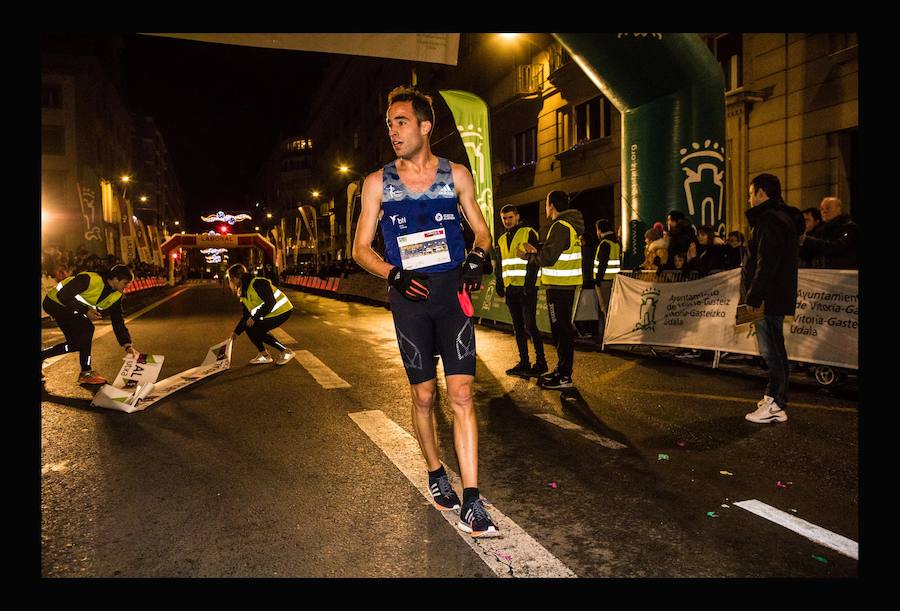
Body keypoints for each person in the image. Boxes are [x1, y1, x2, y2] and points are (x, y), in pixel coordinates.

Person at [352, 86, 499, 538]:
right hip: (408, 298)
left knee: (461, 395)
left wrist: (478, 256)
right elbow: (360, 249)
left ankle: (472, 499)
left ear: (425, 126)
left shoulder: (455, 175)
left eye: (401, 122)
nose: (393, 131)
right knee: (423, 397)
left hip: (452, 295)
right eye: (389, 125)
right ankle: (436, 472)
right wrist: (392, 274)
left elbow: (481, 230)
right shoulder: (377, 183)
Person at [741, 174, 802, 424]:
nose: (749, 197)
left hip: (768, 296)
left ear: (762, 193)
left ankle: (776, 403)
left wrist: (754, 294)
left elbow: (766, 262)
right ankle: (772, 396)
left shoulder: (770, 220)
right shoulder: (777, 218)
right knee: (773, 349)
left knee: (772, 351)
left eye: (751, 192)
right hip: (771, 295)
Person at [520, 190, 585, 390]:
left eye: (546, 203)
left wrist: (528, 257)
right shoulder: (568, 227)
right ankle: (562, 370)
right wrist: (538, 250)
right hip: (563, 287)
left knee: (561, 331)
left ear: (552, 205)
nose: (545, 208)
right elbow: (553, 252)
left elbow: (549, 258)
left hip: (559, 288)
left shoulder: (560, 226)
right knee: (561, 330)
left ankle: (564, 376)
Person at [41, 264, 139, 385]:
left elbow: (117, 319)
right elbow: (63, 295)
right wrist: (86, 311)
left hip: (69, 307)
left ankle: (42, 356)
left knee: (77, 344)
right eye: (125, 283)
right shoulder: (89, 279)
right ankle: (86, 372)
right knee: (87, 328)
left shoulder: (117, 295)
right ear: (115, 279)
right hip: (54, 302)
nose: (128, 286)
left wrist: (127, 344)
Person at [494, 204, 547, 377]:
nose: (507, 221)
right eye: (504, 218)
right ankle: (524, 362)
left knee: (530, 325)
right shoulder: (501, 240)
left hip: (526, 288)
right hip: (511, 288)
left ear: (517, 216)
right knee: (518, 327)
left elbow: (534, 260)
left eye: (510, 217)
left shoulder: (529, 232)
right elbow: (501, 264)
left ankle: (541, 363)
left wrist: (529, 285)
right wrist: (500, 283)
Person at [226, 263, 295, 366]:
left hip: (282, 310)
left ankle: (286, 352)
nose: (230, 282)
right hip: (270, 313)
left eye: (230, 279)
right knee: (248, 326)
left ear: (236, 278)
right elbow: (246, 315)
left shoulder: (258, 283)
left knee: (257, 329)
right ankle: (264, 355)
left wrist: (254, 318)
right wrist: (235, 333)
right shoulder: (244, 290)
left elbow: (270, 302)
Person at [799, 197, 859, 269]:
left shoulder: (849, 227)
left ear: (839, 209)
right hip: (823, 274)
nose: (824, 211)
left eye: (828, 208)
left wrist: (807, 240)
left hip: (842, 274)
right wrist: (801, 244)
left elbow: (836, 247)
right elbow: (809, 255)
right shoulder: (820, 230)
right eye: (822, 209)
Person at [592, 218, 620, 343]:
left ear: (600, 230)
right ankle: (607, 335)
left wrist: (597, 279)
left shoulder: (604, 244)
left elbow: (602, 264)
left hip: (603, 281)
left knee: (605, 309)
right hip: (614, 280)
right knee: (610, 309)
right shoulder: (615, 243)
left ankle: (606, 337)